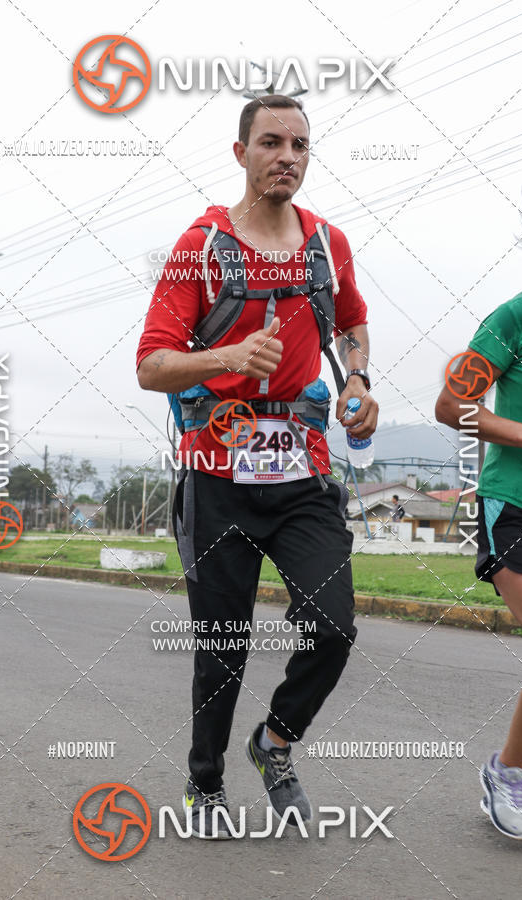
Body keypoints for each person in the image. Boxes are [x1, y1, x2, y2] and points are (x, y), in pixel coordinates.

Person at [137, 94, 378, 838]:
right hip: (217, 478)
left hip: (302, 474)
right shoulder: (200, 245)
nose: (288, 157)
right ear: (240, 153)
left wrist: (359, 383)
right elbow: (151, 365)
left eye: (300, 145)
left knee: (332, 629)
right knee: (222, 654)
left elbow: (354, 321)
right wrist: (230, 357)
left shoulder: (327, 244)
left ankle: (274, 743)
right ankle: (204, 784)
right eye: (271, 142)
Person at [435, 197, 522, 840]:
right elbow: (451, 406)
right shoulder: (516, 316)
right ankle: (508, 773)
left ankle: (510, 768)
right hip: (514, 506)